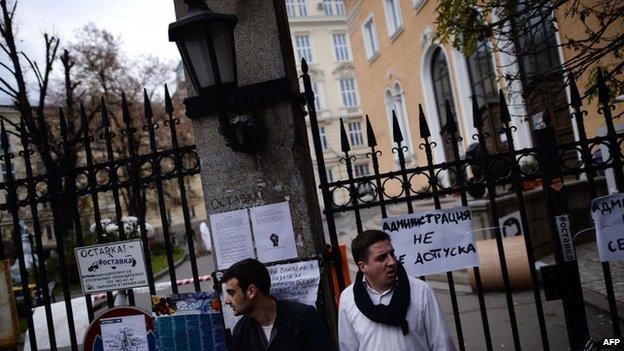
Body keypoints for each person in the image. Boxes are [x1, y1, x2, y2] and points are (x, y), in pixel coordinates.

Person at [338, 230, 456, 351]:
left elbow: (442, 342)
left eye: (392, 254)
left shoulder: (421, 291)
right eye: (381, 258)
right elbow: (348, 347)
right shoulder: (348, 299)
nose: (392, 261)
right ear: (363, 266)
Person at [222, 258, 334, 351]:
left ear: (251, 291)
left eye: (232, 293)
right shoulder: (241, 331)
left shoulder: (303, 318)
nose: (227, 301)